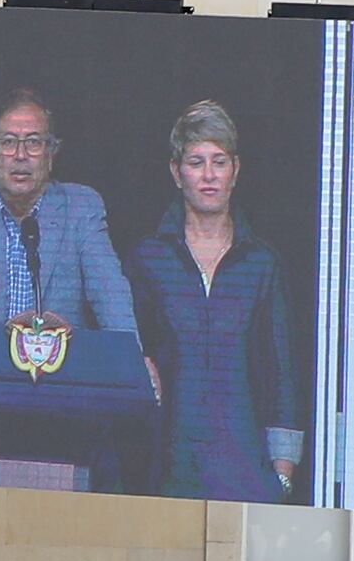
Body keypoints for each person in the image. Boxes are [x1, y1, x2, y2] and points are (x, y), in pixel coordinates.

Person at [0, 85, 136, 486]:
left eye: (33, 143)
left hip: (63, 407)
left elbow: (110, 289)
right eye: (8, 142)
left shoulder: (82, 208)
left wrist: (130, 356)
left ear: (52, 152)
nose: (20, 156)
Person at [127, 102, 304, 505]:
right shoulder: (148, 257)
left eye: (219, 162)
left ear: (235, 170)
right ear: (176, 173)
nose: (208, 176)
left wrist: (283, 474)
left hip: (245, 468)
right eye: (196, 162)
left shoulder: (262, 262)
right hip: (168, 465)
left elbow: (282, 372)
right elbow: (128, 351)